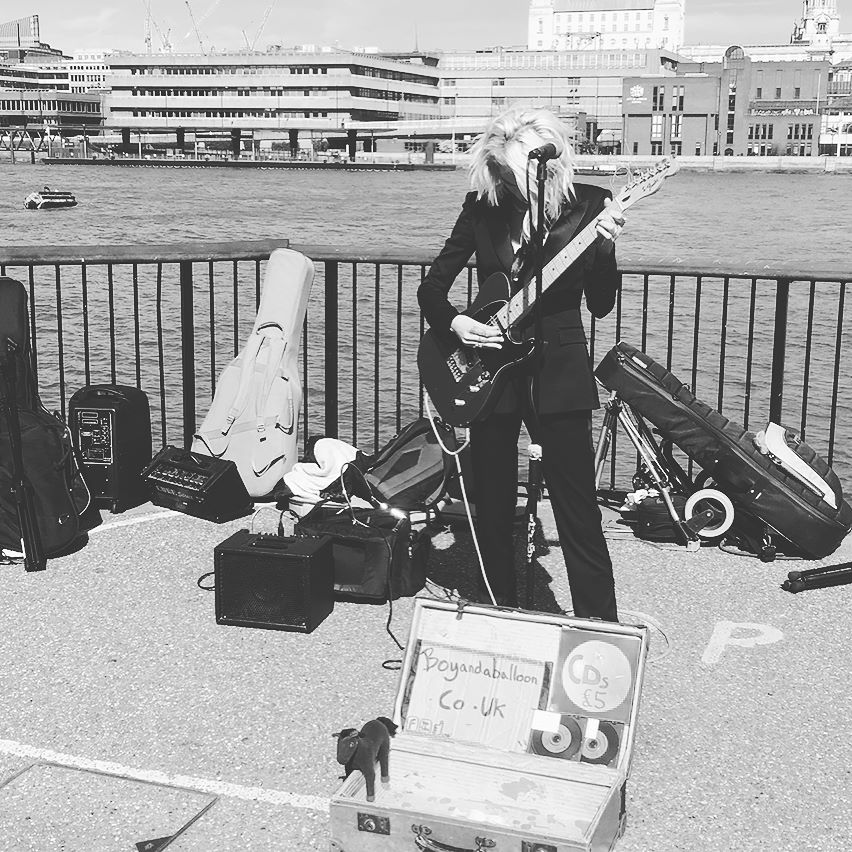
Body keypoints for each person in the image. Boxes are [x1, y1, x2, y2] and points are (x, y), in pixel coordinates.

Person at [417, 107, 625, 620]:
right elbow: (433, 285)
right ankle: (498, 615)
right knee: (490, 502)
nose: (517, 181)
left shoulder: (592, 206)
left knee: (577, 509)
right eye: (507, 171)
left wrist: (606, 253)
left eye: (525, 168)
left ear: (552, 160)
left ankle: (599, 631)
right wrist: (455, 325)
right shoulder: (483, 207)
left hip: (558, 370)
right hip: (490, 370)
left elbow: (600, 304)